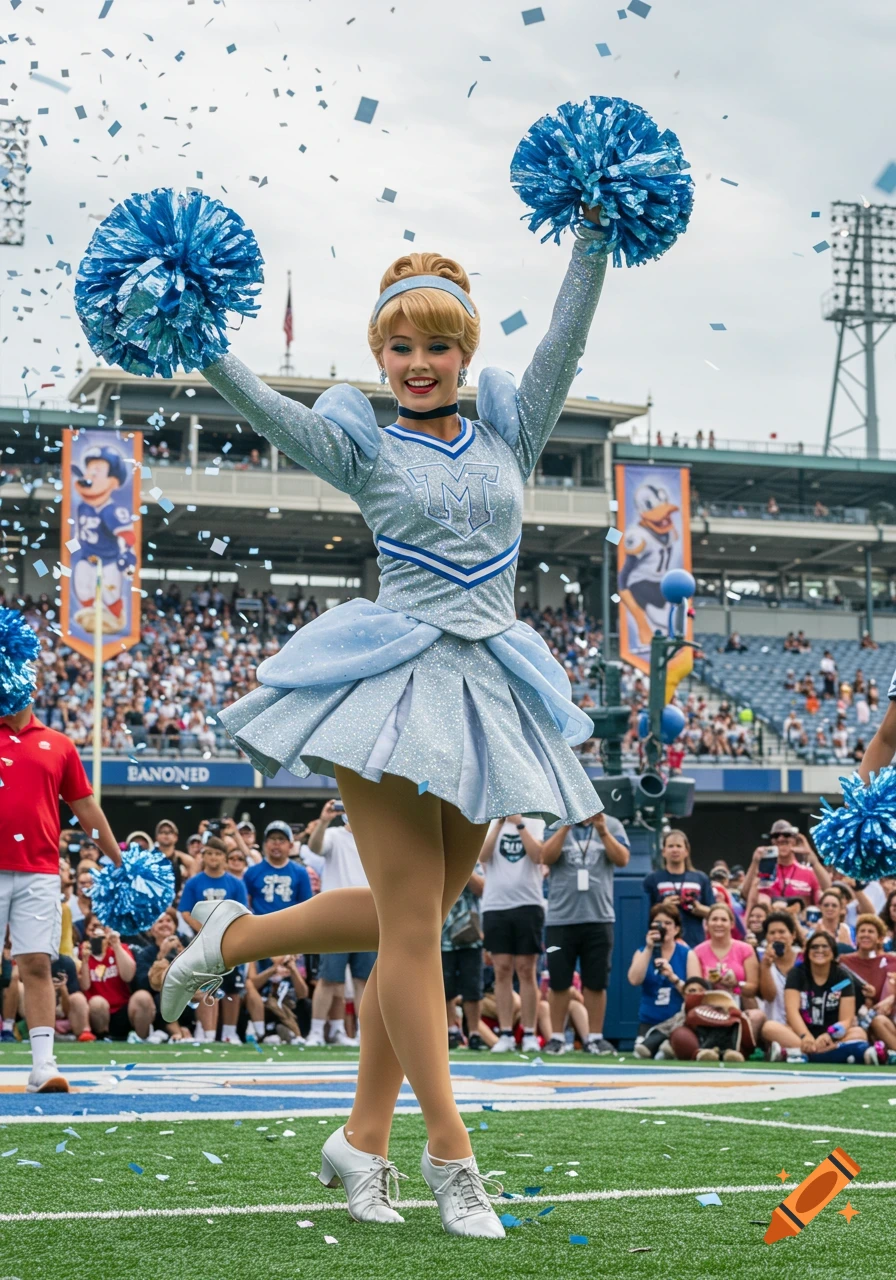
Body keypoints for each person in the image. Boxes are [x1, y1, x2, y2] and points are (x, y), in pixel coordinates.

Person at [159, 199, 610, 1238]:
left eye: (437, 344)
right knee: (412, 925)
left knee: (413, 925)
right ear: (379, 351)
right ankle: (452, 1153)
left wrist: (590, 237)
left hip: (489, 684)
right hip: (393, 680)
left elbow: (564, 335)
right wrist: (200, 339)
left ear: (463, 350)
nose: (418, 361)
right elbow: (269, 408)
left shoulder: (514, 427)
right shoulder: (365, 447)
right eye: (399, 344)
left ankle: (355, 1127)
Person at [0, 614, 122, 1092]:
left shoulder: (59, 745)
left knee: (36, 965)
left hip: (40, 871)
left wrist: (117, 859)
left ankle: (43, 1065)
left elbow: (87, 810)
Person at [539, 811, 629, 1055]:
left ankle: (595, 1037)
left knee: (596, 982)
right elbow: (545, 856)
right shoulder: (555, 822)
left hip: (599, 918)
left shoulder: (612, 823)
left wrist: (602, 830)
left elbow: (622, 859)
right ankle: (557, 1037)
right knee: (558, 980)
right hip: (560, 919)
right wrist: (565, 827)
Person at [304, 799, 376, 1048]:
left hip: (368, 913)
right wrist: (324, 820)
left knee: (363, 980)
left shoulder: (374, 836)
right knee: (329, 978)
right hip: (336, 914)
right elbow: (315, 848)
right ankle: (315, 1032)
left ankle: (362, 1032)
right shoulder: (334, 834)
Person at [478, 814, 547, 1054]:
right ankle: (505, 1033)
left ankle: (529, 1032)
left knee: (527, 969)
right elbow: (482, 856)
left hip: (528, 903)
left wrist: (519, 824)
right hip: (496, 905)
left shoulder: (535, 821)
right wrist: (498, 823)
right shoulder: (489, 822)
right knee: (502, 969)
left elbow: (538, 855)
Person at [764, 931, 876, 1064]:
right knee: (769, 1027)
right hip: (800, 1034)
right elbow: (792, 1011)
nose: (819, 950)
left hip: (832, 1037)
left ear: (833, 952)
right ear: (808, 951)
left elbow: (846, 1020)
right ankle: (829, 1054)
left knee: (859, 1033)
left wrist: (830, 1035)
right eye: (814, 947)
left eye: (825, 946)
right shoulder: (797, 974)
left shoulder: (843, 978)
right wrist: (805, 1036)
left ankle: (800, 1054)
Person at [178, 835, 248, 1044]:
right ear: (203, 856)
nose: (213, 857)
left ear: (224, 857)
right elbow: (185, 911)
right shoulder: (194, 883)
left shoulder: (235, 883)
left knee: (232, 987)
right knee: (204, 985)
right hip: (201, 941)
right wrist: (205, 930)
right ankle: (203, 1029)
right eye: (209, 853)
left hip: (229, 940)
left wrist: (225, 932)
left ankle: (230, 1031)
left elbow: (243, 912)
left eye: (218, 853)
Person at [627, 903, 700, 1056]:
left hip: (677, 1022)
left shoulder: (687, 955)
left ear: (676, 929)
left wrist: (673, 978)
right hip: (649, 1022)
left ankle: (666, 1044)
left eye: (668, 923)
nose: (664, 927)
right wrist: (649, 948)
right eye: (658, 923)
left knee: (664, 1054)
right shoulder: (642, 952)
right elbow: (634, 980)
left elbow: (696, 996)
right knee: (640, 1054)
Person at [77, 914, 155, 1041]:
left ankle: (141, 1039)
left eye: (103, 927)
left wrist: (116, 945)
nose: (99, 931)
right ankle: (103, 1037)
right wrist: (85, 960)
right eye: (94, 927)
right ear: (87, 931)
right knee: (97, 1003)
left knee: (143, 997)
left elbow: (128, 976)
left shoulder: (120, 947)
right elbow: (85, 986)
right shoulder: (82, 951)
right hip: (97, 1011)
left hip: (123, 1008)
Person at [692, 904, 763, 1042]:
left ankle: (737, 1045)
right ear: (707, 924)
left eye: (723, 920)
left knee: (757, 1015)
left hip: (739, 1004)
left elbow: (753, 988)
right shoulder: (697, 952)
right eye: (714, 919)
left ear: (731, 924)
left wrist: (737, 984)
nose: (719, 923)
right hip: (709, 1006)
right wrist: (708, 983)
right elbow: (693, 990)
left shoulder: (746, 949)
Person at [641, 829, 713, 949]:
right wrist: (663, 907)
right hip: (663, 942)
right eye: (670, 846)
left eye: (679, 846)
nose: (675, 850)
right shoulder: (652, 879)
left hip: (695, 942)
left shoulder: (701, 878)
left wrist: (699, 909)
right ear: (663, 851)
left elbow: (715, 911)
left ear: (686, 851)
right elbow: (644, 914)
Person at [442, 866, 486, 1051]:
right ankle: (451, 1030)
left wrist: (462, 868)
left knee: (473, 988)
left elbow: (482, 888)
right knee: (445, 987)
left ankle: (474, 1032)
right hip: (441, 935)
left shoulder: (471, 859)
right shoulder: (434, 860)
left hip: (470, 936)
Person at [742, 821, 828, 909]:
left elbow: (828, 891)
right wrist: (755, 862)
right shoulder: (765, 871)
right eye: (775, 836)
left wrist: (813, 859)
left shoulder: (808, 872)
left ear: (794, 840)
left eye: (786, 835)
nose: (780, 839)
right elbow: (745, 895)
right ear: (772, 841)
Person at [243, 820, 312, 916]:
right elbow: (246, 904)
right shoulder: (251, 872)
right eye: (272, 839)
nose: (277, 843)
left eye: (281, 839)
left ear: (290, 845)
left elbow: (306, 905)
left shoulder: (300, 872)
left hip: (290, 926)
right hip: (260, 925)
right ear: (266, 843)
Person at [755, 911, 801, 1045]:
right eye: (772, 933)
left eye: (782, 932)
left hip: (803, 1026)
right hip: (776, 1028)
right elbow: (769, 996)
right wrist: (765, 967)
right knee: (769, 1028)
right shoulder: (761, 960)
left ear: (792, 936)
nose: (777, 937)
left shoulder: (804, 960)